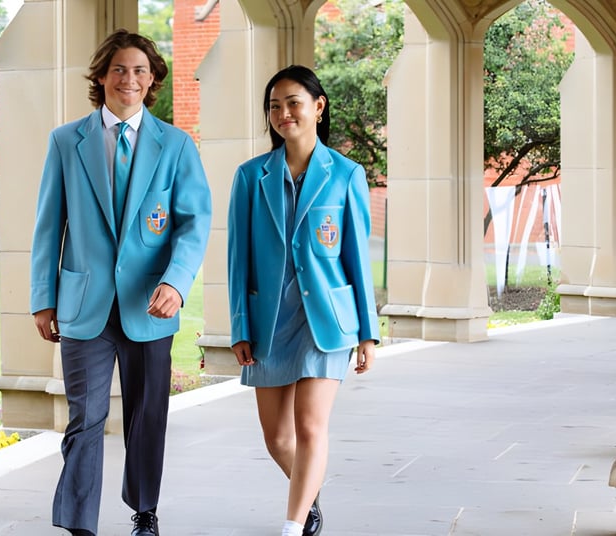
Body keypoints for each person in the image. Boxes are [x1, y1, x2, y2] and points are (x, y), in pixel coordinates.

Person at [30, 29, 212, 536]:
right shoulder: (67, 141)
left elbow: (194, 223)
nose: (128, 79)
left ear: (152, 79)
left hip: (150, 305)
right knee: (84, 419)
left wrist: (176, 282)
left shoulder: (175, 145)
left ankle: (145, 511)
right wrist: (43, 299)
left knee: (147, 415)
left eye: (139, 70)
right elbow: (49, 226)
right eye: (118, 69)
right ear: (101, 77)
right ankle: (78, 522)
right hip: (84, 304)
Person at [227, 65, 380, 536]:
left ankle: (292, 526)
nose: (283, 113)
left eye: (293, 102)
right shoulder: (251, 176)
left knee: (311, 429)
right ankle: (308, 494)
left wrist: (368, 334)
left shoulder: (347, 175)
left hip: (326, 323)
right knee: (277, 438)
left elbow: (357, 257)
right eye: (275, 105)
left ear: (318, 106)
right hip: (268, 321)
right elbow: (238, 259)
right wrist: (239, 328)